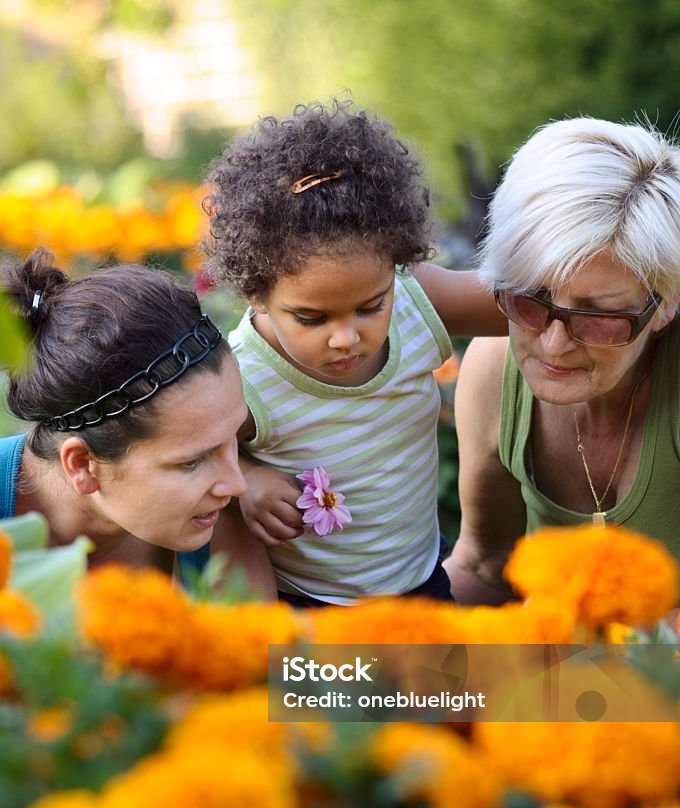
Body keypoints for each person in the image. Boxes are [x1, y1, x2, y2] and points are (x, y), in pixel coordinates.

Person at [203, 98, 505, 606]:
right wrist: (249, 480)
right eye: (312, 319)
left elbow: (525, 305)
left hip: (422, 581)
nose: (346, 338)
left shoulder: (415, 300)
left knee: (450, 688)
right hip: (316, 606)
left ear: (396, 268)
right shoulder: (246, 378)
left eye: (370, 306)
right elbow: (197, 453)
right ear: (256, 294)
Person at [445, 116, 680, 606]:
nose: (552, 345)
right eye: (529, 299)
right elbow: (485, 564)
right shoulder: (493, 370)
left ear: (666, 307)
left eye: (598, 317)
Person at [1, 247, 275, 596]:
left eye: (234, 440)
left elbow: (274, 650)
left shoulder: (220, 519)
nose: (237, 484)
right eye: (192, 461)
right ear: (83, 464)